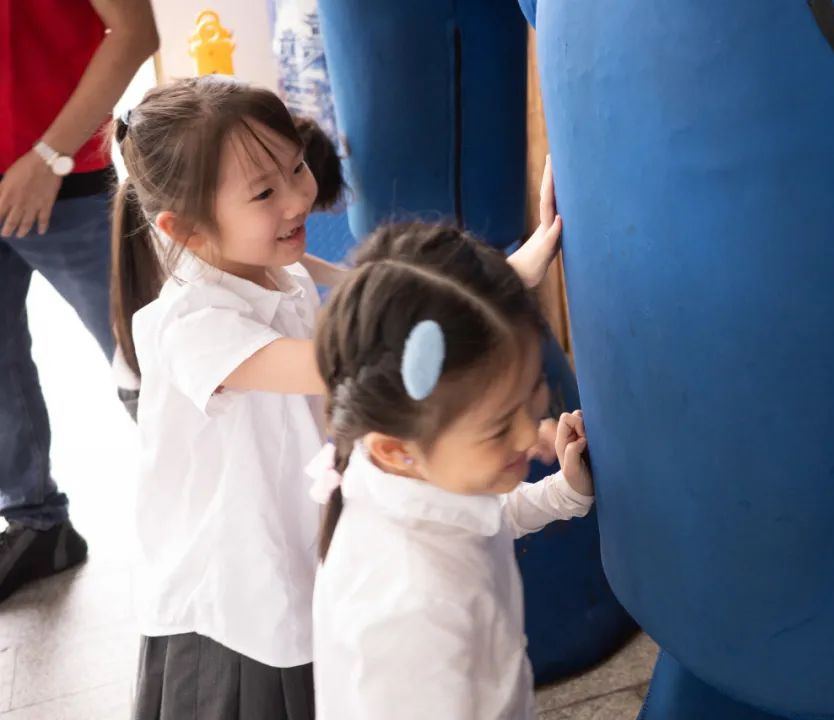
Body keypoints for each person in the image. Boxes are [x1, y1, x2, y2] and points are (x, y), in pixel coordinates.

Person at [112, 75, 563, 719]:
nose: (299, 196)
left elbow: (401, 302)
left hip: (303, 559)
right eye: (265, 191)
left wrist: (520, 263)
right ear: (185, 229)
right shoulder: (190, 325)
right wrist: (511, 282)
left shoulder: (284, 271)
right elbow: (367, 349)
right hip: (236, 609)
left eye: (296, 167)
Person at [310, 221, 593, 719]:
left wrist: (563, 493)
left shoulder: (411, 476)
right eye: (502, 425)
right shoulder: (412, 610)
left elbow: (481, 520)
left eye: (533, 397)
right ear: (396, 449)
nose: (532, 435)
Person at [0, 0, 158, 603]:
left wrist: (48, 157)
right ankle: (38, 526)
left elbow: (135, 32)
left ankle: (236, 505)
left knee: (155, 357)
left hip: (65, 182)